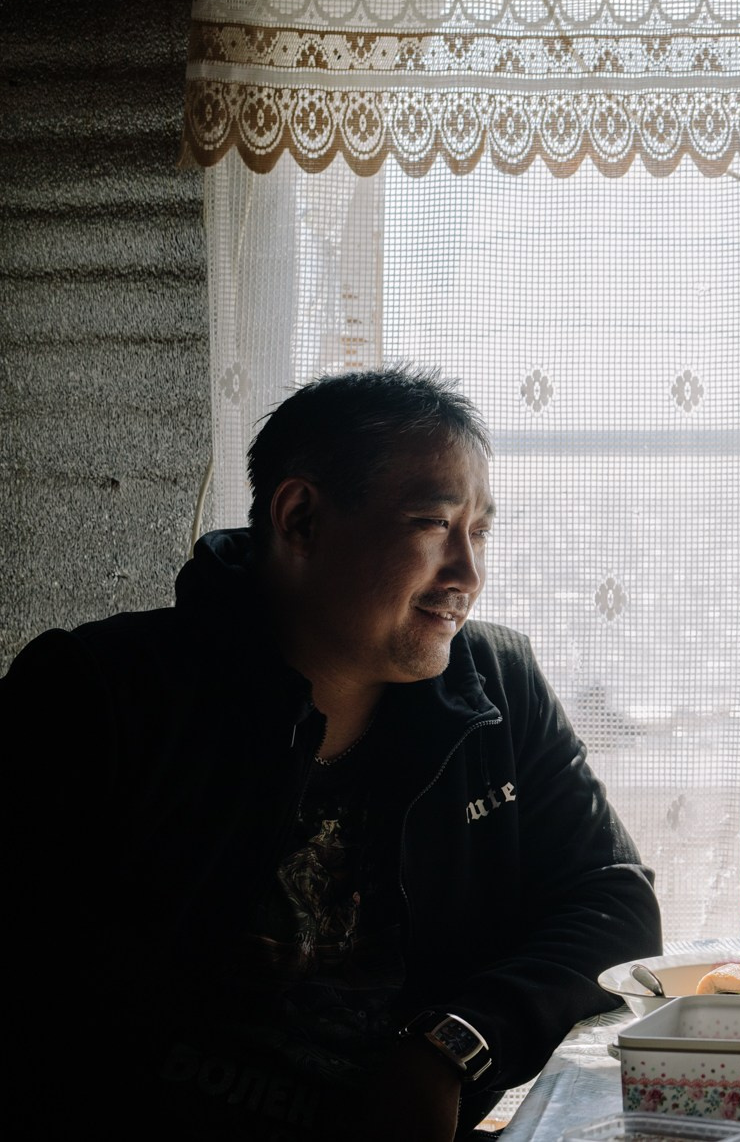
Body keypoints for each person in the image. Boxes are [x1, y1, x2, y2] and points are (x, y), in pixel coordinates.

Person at [5, 366, 661, 1141]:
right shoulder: (95, 697)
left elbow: (613, 904)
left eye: (479, 532)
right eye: (432, 526)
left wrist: (449, 1048)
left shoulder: (498, 686)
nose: (468, 575)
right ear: (302, 519)